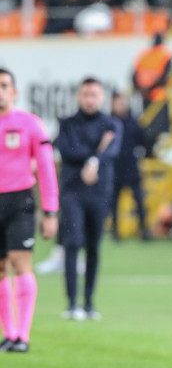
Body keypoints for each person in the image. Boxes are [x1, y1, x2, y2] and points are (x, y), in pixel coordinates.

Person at [0, 68, 59, 353]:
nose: (0, 90)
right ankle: (9, 334)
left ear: (14, 91)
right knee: (0, 269)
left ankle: (23, 335)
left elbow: (47, 170)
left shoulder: (31, 125)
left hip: (19, 202)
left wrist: (50, 211)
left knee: (20, 263)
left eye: (4, 85)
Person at [55, 77, 122, 321]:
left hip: (99, 192)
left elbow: (113, 151)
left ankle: (89, 303)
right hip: (73, 191)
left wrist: (94, 160)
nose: (89, 99)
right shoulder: (68, 124)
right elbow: (66, 150)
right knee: (72, 243)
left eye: (94, 94)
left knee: (94, 247)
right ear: (78, 96)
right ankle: (72, 304)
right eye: (85, 94)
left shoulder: (111, 124)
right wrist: (94, 153)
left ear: (101, 96)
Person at [110, 91, 149, 241]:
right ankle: (115, 232)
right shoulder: (109, 123)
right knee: (114, 203)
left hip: (131, 167)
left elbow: (143, 141)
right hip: (115, 168)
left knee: (139, 200)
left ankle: (144, 231)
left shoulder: (133, 122)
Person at [132, 33, 172, 156]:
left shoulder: (143, 55)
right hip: (158, 96)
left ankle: (149, 152)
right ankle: (154, 153)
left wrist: (141, 88)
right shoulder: (165, 55)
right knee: (159, 128)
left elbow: (134, 74)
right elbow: (165, 77)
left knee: (148, 126)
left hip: (146, 95)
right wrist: (150, 88)